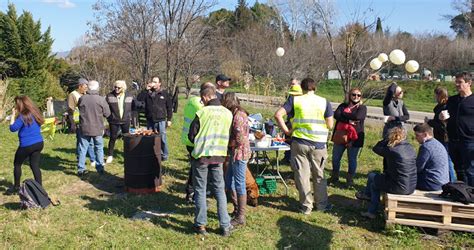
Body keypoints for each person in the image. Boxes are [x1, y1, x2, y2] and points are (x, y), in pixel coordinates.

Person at [275, 77, 334, 214]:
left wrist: (287, 131)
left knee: (302, 174)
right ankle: (322, 205)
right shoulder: (324, 102)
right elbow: (330, 125)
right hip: (319, 144)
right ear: (315, 88)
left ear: (301, 88)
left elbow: (278, 115)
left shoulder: (295, 100)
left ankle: (306, 206)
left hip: (300, 142)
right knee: (319, 174)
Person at [188, 84, 234, 236]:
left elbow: (191, 135)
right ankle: (225, 225)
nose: (202, 101)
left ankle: (200, 225)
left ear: (206, 96)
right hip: (219, 156)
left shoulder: (202, 113)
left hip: (202, 156)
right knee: (220, 190)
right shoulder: (228, 113)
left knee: (200, 190)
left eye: (202, 99)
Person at [356, 127, 417, 219]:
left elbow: (376, 148)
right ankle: (367, 197)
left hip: (398, 186)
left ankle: (371, 209)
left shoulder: (392, 150)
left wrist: (385, 140)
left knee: (373, 181)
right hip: (411, 185)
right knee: (375, 178)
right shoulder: (410, 148)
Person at [222, 92, 251, 227]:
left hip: (240, 153)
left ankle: (241, 216)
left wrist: (228, 143)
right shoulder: (235, 113)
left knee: (239, 183)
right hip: (235, 152)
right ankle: (236, 207)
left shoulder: (239, 115)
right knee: (229, 180)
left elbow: (239, 138)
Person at [7, 96, 45, 195]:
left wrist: (13, 115)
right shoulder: (35, 112)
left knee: (17, 164)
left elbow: (12, 128)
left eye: (16, 104)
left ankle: (16, 187)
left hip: (27, 145)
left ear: (20, 104)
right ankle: (40, 189)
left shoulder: (23, 116)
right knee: (35, 165)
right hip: (39, 143)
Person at [441, 72, 474, 186]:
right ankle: (464, 193)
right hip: (453, 140)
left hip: (469, 141)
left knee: (470, 170)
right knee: (459, 169)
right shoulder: (452, 100)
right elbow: (447, 118)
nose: (457, 84)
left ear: (469, 83)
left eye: (460, 82)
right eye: (456, 82)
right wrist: (442, 118)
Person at [329, 88, 367, 187]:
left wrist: (344, 114)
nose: (356, 97)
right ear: (349, 95)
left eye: (358, 95)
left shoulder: (362, 108)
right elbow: (336, 115)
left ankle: (349, 180)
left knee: (352, 159)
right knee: (336, 158)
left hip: (355, 138)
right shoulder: (343, 105)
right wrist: (349, 120)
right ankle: (334, 176)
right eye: (354, 94)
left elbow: (358, 117)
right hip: (340, 136)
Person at [181, 83, 211, 203]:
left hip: (189, 139)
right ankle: (192, 193)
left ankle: (191, 192)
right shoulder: (199, 105)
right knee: (196, 169)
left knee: (194, 168)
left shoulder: (192, 101)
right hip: (194, 140)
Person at [77, 80, 111, 176]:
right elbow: (107, 113)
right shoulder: (101, 100)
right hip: (97, 127)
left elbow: (79, 108)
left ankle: (81, 168)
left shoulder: (82, 99)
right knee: (99, 148)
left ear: (88, 87)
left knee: (83, 148)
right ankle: (100, 167)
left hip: (84, 127)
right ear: (97, 88)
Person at [137, 77, 172, 161]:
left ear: (159, 83)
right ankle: (152, 153)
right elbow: (139, 99)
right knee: (150, 138)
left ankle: (164, 155)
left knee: (162, 138)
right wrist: (145, 89)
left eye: (155, 82)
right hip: (150, 119)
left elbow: (169, 107)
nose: (153, 83)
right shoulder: (148, 93)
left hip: (161, 119)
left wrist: (169, 119)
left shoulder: (164, 93)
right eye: (152, 81)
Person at [426, 87, 456, 182]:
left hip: (444, 138)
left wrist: (430, 122)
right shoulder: (443, 106)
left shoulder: (444, 107)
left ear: (439, 95)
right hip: (442, 137)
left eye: (435, 95)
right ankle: (450, 181)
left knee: (447, 161)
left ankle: (452, 181)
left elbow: (442, 126)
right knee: (447, 160)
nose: (434, 97)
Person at [105, 80, 134, 164]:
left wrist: (130, 116)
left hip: (126, 120)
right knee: (112, 138)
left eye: (119, 87)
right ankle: (110, 155)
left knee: (127, 138)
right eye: (115, 87)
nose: (116, 89)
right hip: (114, 121)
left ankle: (128, 155)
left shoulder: (129, 96)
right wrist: (109, 117)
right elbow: (105, 108)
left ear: (123, 88)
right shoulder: (109, 96)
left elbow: (134, 107)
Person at [413, 123, 449, 191]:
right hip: (443, 181)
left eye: (417, 135)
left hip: (432, 183)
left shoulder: (426, 147)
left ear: (425, 134)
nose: (416, 138)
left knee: (404, 179)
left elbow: (418, 168)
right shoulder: (437, 143)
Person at [282, 78, 302, 163]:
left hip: (296, 122)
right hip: (290, 120)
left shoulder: (299, 96)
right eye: (291, 84)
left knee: (292, 141)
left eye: (294, 84)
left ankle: (291, 159)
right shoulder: (291, 95)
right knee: (288, 140)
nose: (291, 86)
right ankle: (287, 157)